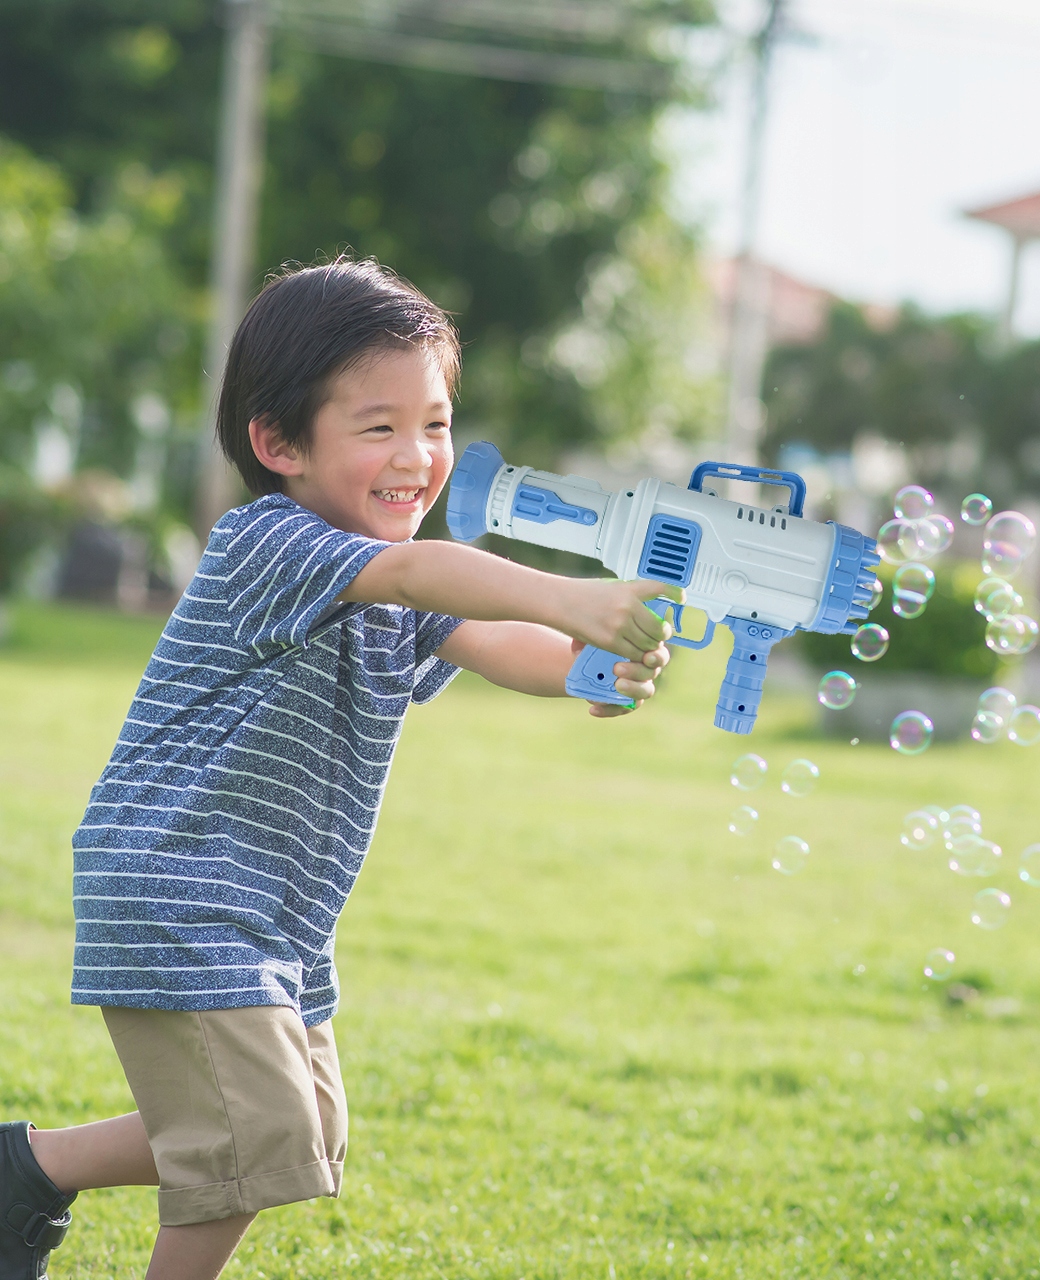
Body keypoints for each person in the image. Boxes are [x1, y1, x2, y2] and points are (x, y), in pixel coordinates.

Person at [0, 259, 674, 1280]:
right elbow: (418, 572)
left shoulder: (401, 571)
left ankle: (27, 1169)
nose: (417, 455)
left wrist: (597, 661)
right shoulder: (271, 539)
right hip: (182, 881)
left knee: (303, 1126)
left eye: (436, 423)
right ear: (278, 442)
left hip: (274, 910)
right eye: (378, 426)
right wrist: (567, 592)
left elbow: (499, 643)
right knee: (254, 1140)